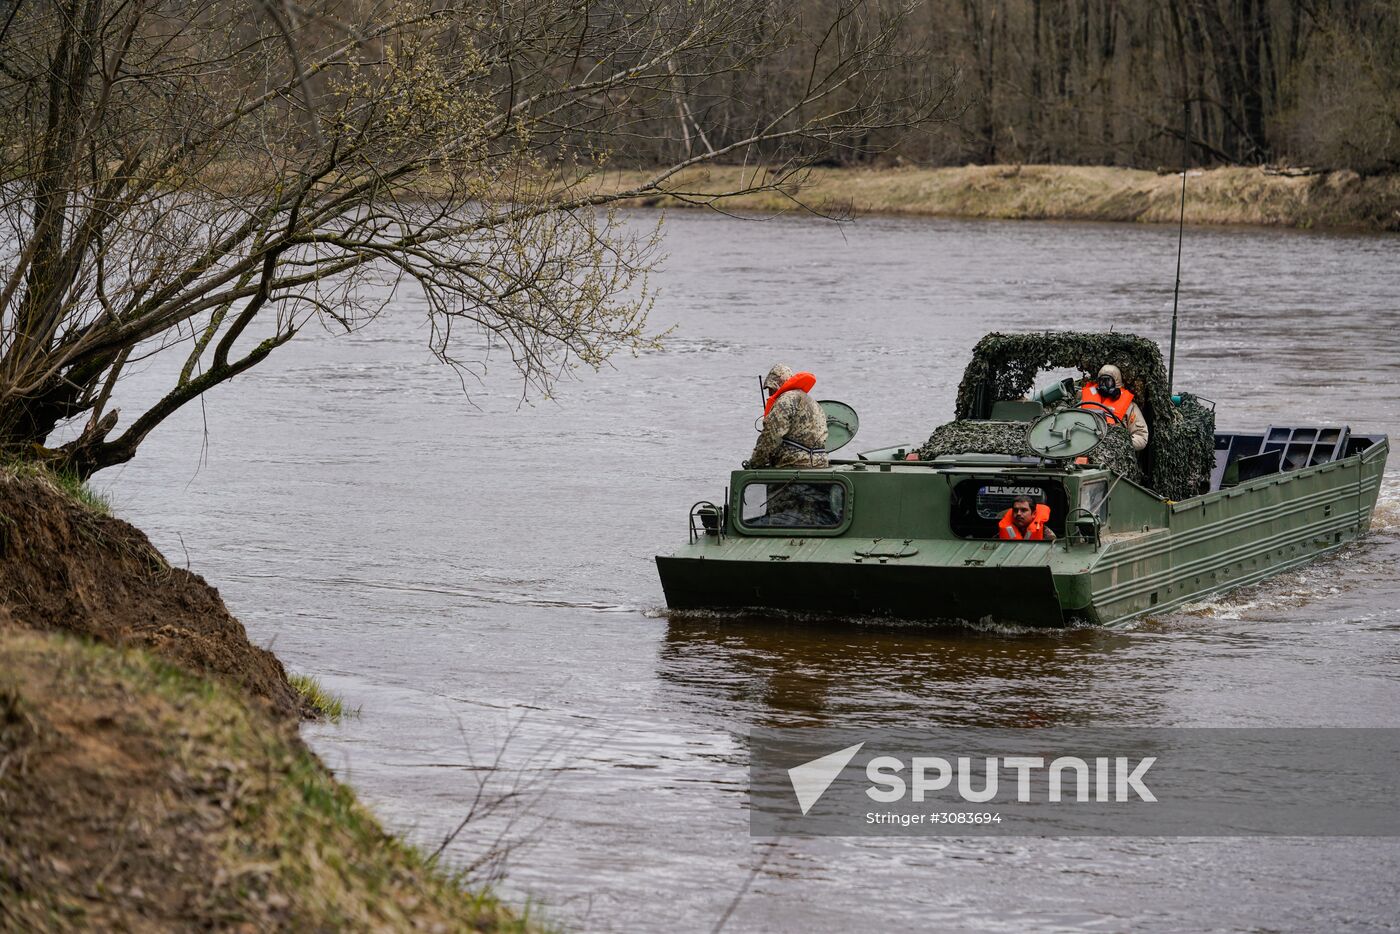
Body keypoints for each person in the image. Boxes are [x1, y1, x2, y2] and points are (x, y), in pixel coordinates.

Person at [745, 364, 829, 469]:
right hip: (820, 462)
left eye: (770, 388)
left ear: (776, 384)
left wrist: (754, 462)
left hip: (795, 463)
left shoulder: (786, 400)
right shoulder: (812, 402)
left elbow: (771, 436)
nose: (770, 394)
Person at [1081, 364, 1149, 451]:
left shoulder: (1130, 407)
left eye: (1108, 381)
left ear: (1116, 383)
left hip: (1114, 451)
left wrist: (1121, 444)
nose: (1104, 385)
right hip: (1086, 446)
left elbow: (1141, 436)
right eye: (1102, 381)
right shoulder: (1085, 400)